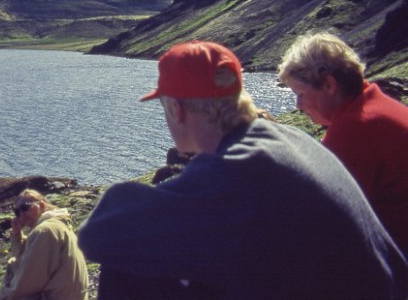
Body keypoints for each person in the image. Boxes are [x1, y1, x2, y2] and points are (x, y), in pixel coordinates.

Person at [78, 40, 407, 299]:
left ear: (176, 110)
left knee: (127, 267)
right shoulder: (285, 139)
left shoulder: (239, 171)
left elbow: (99, 234)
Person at [278, 32, 408, 257]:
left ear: (329, 85)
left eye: (300, 94)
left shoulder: (355, 129)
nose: (298, 106)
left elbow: (325, 221)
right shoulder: (376, 105)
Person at [0, 189, 89, 300]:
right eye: (17, 212)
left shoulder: (44, 231)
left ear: (41, 204)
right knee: (15, 265)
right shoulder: (57, 225)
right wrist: (17, 235)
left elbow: (26, 282)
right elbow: (26, 262)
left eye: (25, 207)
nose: (21, 214)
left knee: (12, 267)